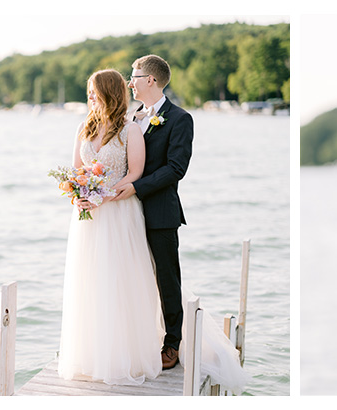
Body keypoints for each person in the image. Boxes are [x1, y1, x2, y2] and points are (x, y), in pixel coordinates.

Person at [58, 69, 165, 385]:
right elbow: (76, 172)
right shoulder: (84, 127)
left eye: (94, 91)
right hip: (88, 218)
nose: (90, 97)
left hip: (119, 213)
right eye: (88, 91)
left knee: (119, 281)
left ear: (109, 92)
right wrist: (78, 195)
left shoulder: (130, 131)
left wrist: (103, 195)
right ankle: (92, 354)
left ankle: (124, 355)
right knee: (90, 281)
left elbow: (135, 173)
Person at [112, 54, 192, 369]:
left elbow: (176, 168)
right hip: (125, 214)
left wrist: (137, 188)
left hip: (160, 212)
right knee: (128, 277)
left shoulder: (180, 118)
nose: (129, 82)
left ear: (151, 80)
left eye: (134, 76)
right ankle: (133, 339)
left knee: (167, 279)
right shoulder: (132, 117)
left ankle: (172, 343)